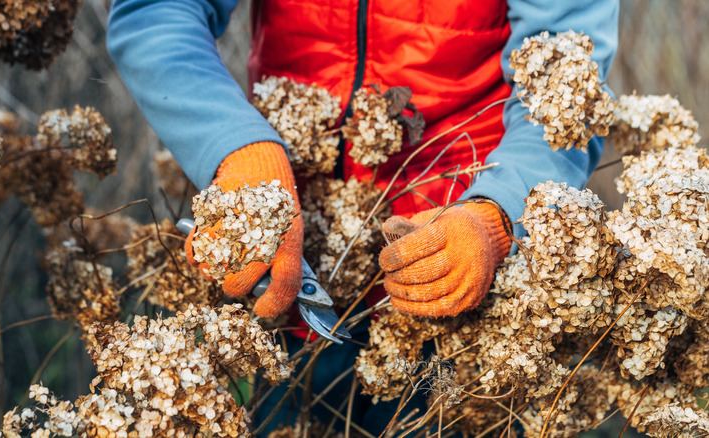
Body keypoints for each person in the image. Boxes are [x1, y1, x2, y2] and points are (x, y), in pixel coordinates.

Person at [107, 0, 618, 433]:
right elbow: (156, 10)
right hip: (292, 279)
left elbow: (571, 82)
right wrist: (236, 151)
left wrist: (500, 213)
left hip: (463, 300)